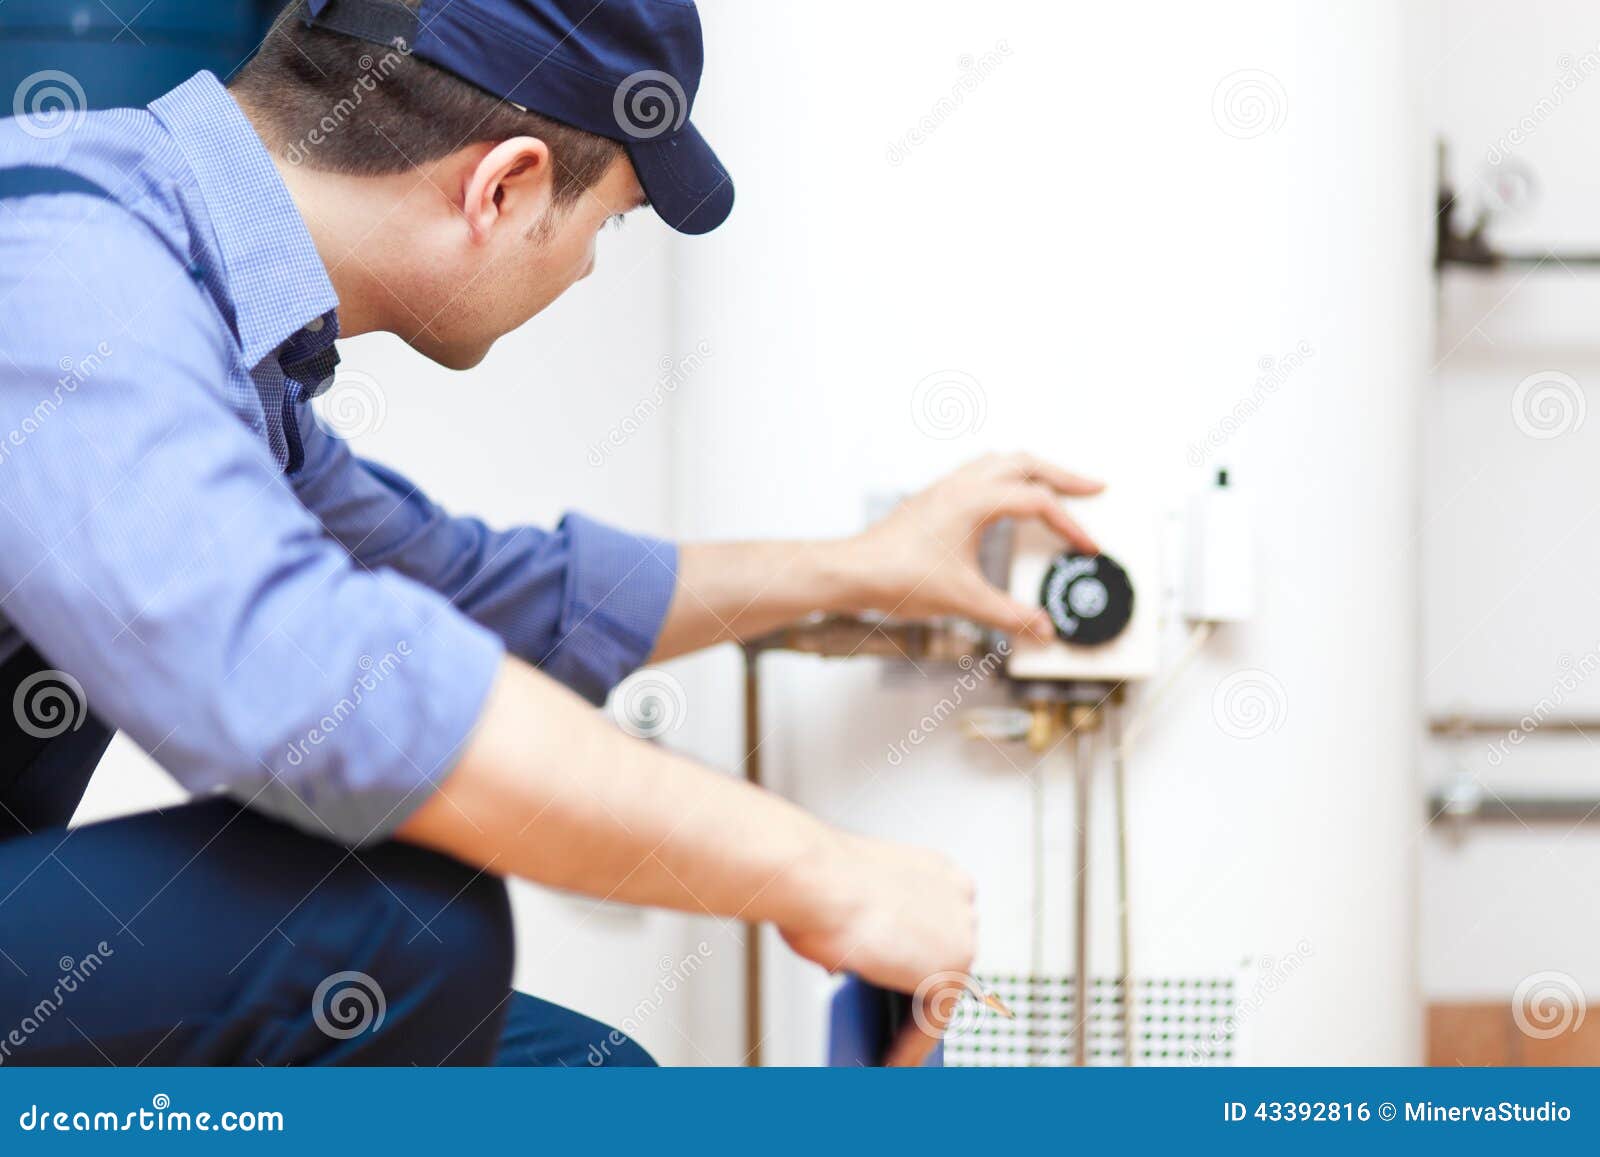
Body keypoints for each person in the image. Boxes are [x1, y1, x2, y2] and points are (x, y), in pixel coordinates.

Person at [0, 0, 1101, 1066]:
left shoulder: (216, 328)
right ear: (507, 184)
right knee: (400, 931)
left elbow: (468, 593)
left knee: (575, 1077)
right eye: (608, 223)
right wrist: (822, 869)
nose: (584, 265)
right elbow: (318, 679)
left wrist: (860, 570)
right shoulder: (65, 259)